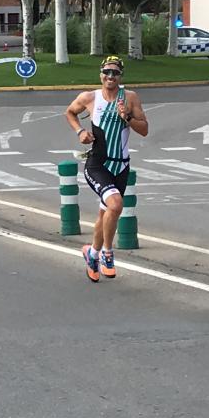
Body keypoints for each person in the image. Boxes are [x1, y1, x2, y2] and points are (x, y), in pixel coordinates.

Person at [64, 55, 149, 282]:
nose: (110, 76)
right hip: (98, 163)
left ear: (121, 76)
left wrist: (127, 117)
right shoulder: (90, 97)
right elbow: (70, 112)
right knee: (116, 204)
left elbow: (144, 129)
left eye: (115, 73)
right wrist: (80, 132)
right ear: (100, 74)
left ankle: (91, 253)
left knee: (106, 214)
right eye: (106, 72)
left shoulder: (129, 98)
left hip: (120, 165)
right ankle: (107, 254)